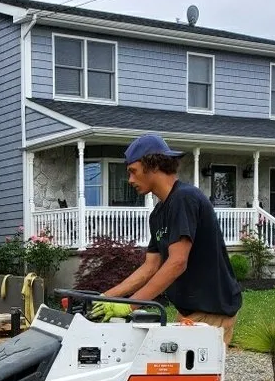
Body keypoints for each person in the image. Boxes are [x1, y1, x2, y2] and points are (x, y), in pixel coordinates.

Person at [90, 134, 242, 345]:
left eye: (133, 171)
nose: (130, 180)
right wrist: (106, 297)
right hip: (190, 312)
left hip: (212, 312)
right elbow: (150, 267)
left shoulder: (184, 198)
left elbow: (177, 262)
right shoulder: (159, 213)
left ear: (152, 165)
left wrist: (130, 306)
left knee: (192, 378)